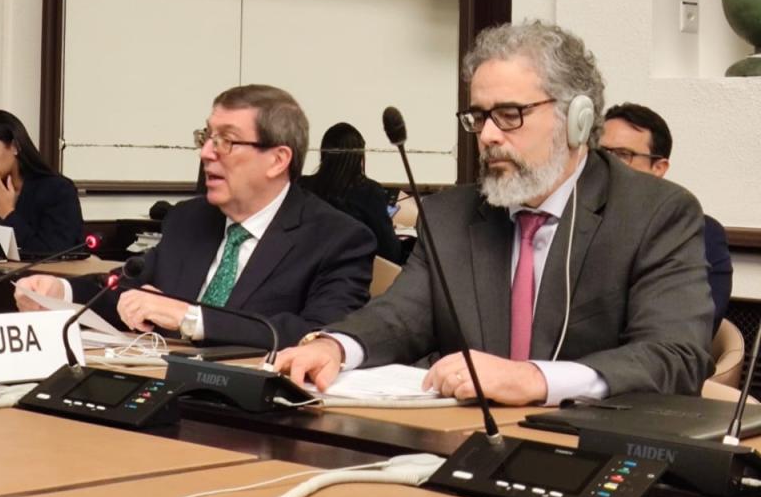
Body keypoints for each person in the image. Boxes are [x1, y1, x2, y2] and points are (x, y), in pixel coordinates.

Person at [275, 20, 714, 405]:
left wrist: (534, 379)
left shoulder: (655, 213)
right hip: (459, 444)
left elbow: (675, 356)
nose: (486, 136)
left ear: (576, 119)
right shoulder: (450, 214)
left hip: (591, 455)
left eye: (508, 115)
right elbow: (400, 316)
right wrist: (334, 346)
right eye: (478, 116)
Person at [14, 84, 377, 349]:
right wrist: (59, 293)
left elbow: (320, 335)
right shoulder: (190, 219)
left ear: (278, 159)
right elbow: (131, 289)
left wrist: (190, 318)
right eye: (207, 136)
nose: (206, 153)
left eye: (226, 141)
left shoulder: (336, 238)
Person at [600, 103, 733, 331]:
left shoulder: (698, 232)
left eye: (623, 155)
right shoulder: (573, 222)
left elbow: (691, 330)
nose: (606, 164)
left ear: (658, 167)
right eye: (600, 153)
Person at [0, 110, 84, 255]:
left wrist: (8, 214)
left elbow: (54, 253)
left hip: (50, 275)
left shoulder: (58, 190)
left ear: (14, 147)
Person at [300, 123, 403, 264]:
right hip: (351, 275)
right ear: (359, 156)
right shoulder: (369, 191)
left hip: (304, 272)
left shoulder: (302, 186)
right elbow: (390, 252)